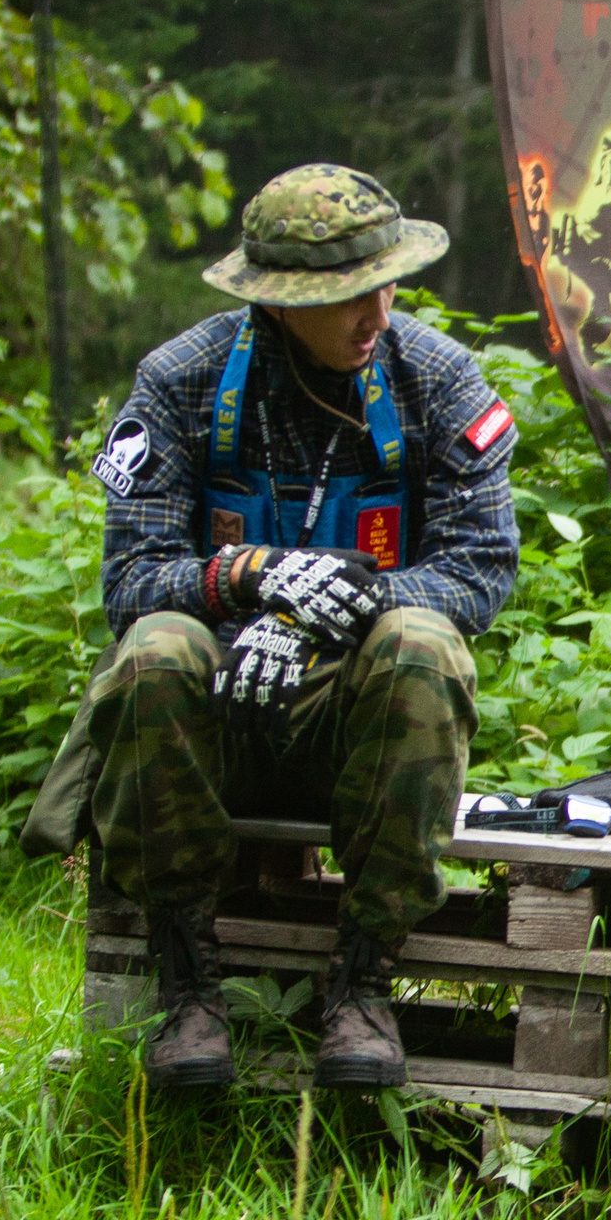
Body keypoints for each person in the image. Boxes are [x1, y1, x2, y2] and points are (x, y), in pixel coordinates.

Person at [28, 164, 520, 1092]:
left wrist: (334, 606)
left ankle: (365, 985)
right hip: (212, 714)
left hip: (358, 719)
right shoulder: (181, 381)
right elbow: (130, 582)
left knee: (423, 643)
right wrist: (244, 575)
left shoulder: (438, 380)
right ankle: (188, 987)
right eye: (347, 298)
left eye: (386, 286)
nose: (375, 315)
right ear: (282, 303)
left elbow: (481, 572)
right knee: (153, 651)